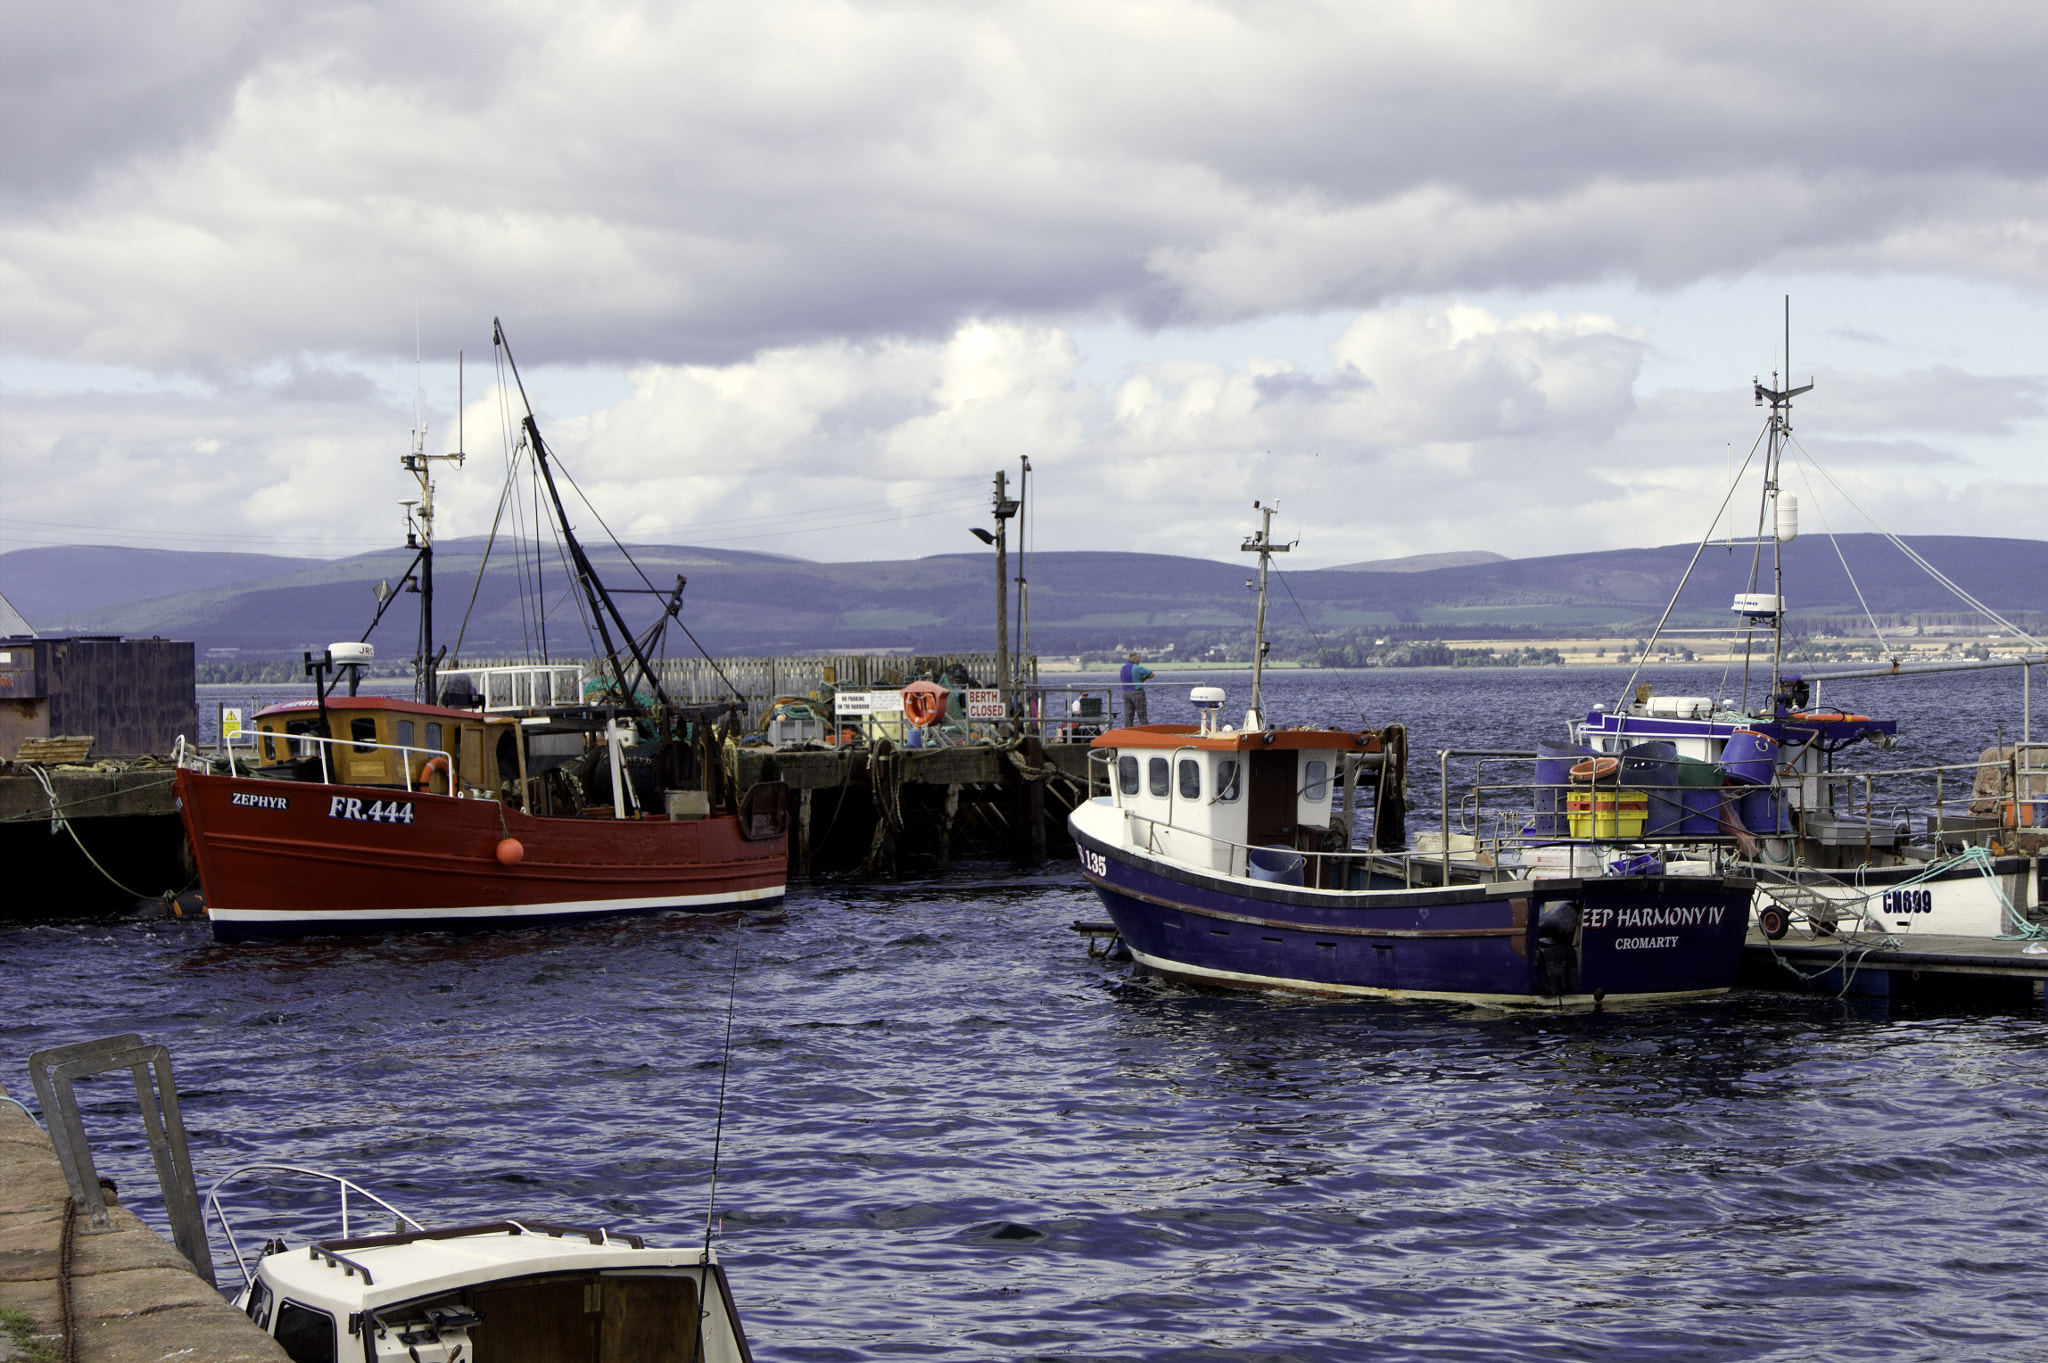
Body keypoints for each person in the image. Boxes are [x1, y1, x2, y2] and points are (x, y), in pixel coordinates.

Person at [1119, 652, 1154, 727]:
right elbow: (1151, 674)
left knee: (1128, 715)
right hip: (1137, 692)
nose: (1139, 660)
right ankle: (1146, 731)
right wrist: (1144, 679)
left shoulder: (1123, 668)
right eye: (1138, 658)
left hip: (1126, 693)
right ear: (1134, 659)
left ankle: (1128, 732)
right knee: (1142, 714)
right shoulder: (1137, 667)